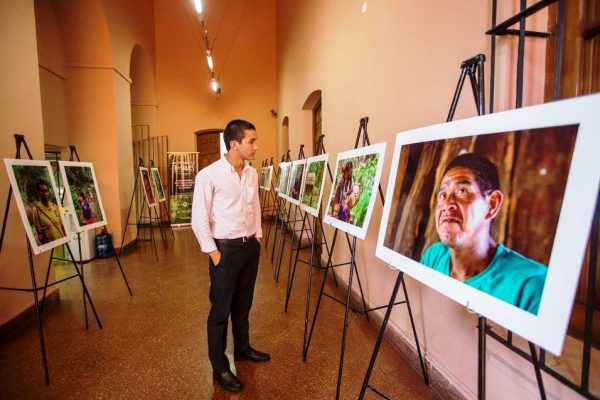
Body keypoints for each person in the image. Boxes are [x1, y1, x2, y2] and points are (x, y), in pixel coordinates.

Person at [191, 119, 269, 393]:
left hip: (249, 248)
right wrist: (214, 253)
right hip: (224, 250)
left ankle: (243, 348)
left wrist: (257, 235)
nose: (256, 146)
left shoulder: (252, 173)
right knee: (220, 310)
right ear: (234, 144)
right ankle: (220, 367)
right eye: (252, 141)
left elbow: (255, 206)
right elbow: (199, 218)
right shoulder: (209, 175)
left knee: (244, 304)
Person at [421, 153, 547, 315]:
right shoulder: (434, 255)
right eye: (443, 194)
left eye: (462, 191)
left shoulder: (531, 285)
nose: (447, 204)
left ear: (492, 205)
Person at [32, 179, 66, 244]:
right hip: (52, 248)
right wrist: (42, 237)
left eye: (46, 191)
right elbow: (39, 234)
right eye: (42, 191)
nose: (45, 194)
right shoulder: (36, 210)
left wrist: (67, 239)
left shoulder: (55, 206)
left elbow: (62, 226)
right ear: (38, 193)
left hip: (63, 243)